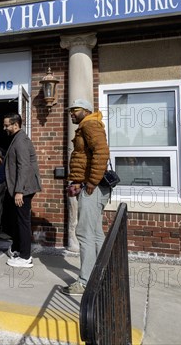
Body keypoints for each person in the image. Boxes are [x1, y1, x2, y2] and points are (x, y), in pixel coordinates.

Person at [62, 99, 111, 296]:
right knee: (96, 233)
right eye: (70, 111)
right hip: (93, 186)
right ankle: (101, 275)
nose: (71, 114)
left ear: (86, 110)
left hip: (93, 188)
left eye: (74, 110)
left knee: (84, 234)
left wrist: (91, 182)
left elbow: (102, 152)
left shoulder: (90, 124)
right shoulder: (87, 125)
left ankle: (85, 282)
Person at [0, 113, 41, 268]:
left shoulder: (21, 141)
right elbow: (9, 157)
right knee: (17, 220)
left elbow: (23, 166)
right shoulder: (17, 139)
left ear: (15, 125)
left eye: (6, 125)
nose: (5, 128)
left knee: (23, 222)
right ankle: (17, 249)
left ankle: (25, 257)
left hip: (24, 188)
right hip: (22, 187)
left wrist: (19, 191)